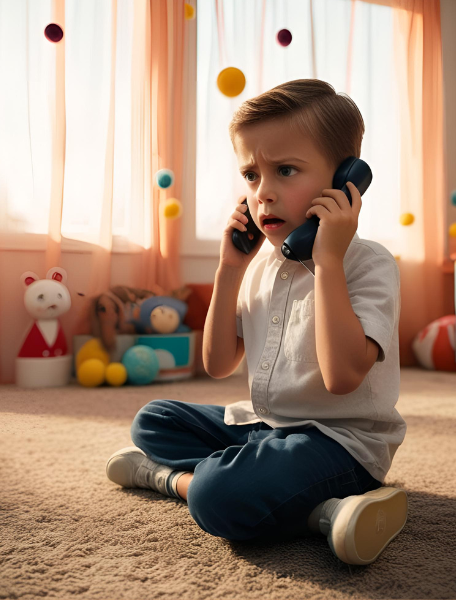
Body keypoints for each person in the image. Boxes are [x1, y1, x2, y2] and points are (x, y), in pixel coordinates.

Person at [106, 79, 407, 565]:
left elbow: (343, 376)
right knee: (153, 420)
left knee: (217, 495)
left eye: (285, 170)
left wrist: (327, 262)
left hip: (341, 446)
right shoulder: (260, 266)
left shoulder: (369, 264)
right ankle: (316, 508)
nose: (262, 194)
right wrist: (229, 270)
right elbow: (218, 364)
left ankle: (174, 481)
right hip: (267, 426)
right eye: (251, 175)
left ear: (345, 180)